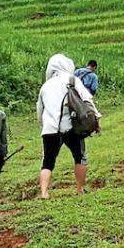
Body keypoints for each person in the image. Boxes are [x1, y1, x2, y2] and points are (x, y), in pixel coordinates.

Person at [37, 53, 96, 199]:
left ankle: (44, 192)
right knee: (80, 156)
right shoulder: (72, 80)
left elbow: (39, 111)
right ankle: (80, 189)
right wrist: (96, 121)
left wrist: (44, 125)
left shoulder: (45, 86)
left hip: (50, 129)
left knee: (47, 162)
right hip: (71, 126)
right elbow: (87, 100)